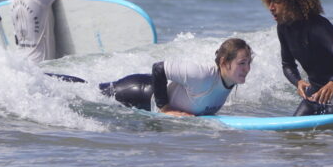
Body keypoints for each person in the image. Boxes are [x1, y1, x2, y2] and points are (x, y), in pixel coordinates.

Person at [99, 38, 252, 116]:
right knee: (88, 93)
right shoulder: (202, 75)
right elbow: (158, 68)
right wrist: (165, 109)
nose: (247, 69)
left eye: (249, 63)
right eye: (242, 63)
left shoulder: (231, 80)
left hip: (147, 96)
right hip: (138, 93)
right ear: (224, 62)